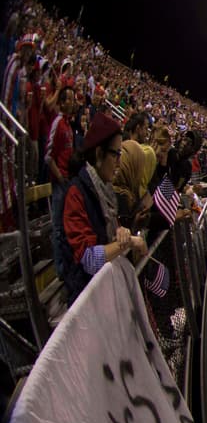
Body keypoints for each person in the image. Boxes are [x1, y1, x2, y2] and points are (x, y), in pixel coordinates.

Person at [56, 112, 146, 302]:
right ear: (99, 154)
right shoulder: (76, 193)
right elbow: (88, 259)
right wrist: (126, 242)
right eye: (116, 155)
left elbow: (104, 237)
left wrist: (120, 233)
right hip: (84, 297)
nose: (119, 164)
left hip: (101, 287)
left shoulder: (102, 189)